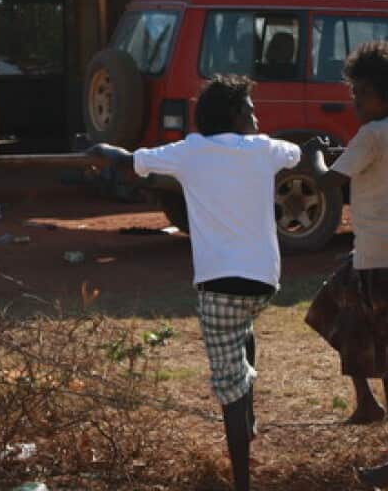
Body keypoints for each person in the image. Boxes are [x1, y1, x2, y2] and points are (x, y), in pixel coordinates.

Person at [87, 75, 300, 491]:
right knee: (244, 329)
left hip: (219, 287)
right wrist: (310, 153)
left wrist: (101, 150)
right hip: (264, 284)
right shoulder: (266, 148)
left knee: (229, 389)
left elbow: (131, 161)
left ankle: (242, 476)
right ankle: (250, 415)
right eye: (252, 110)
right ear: (239, 115)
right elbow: (299, 154)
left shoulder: (190, 151)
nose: (256, 116)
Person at [301, 40, 388, 487]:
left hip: (385, 259)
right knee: (330, 311)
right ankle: (366, 403)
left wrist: (313, 152)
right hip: (384, 252)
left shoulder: (374, 134)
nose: (354, 100)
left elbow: (326, 181)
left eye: (362, 93)